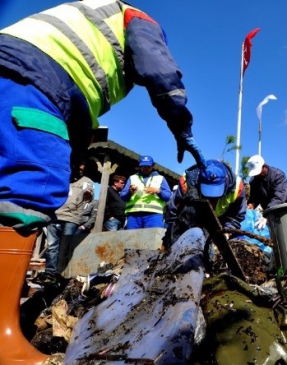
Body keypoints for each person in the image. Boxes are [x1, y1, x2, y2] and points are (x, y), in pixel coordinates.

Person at [0, 1, 207, 361]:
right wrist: (181, 123)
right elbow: (159, 70)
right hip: (34, 78)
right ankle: (3, 337)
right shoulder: (138, 19)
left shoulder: (89, 14)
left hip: (18, 68)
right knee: (27, 187)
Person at [165, 159, 246, 249]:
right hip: (193, 221)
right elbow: (174, 211)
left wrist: (226, 233)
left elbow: (236, 216)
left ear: (226, 181)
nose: (211, 198)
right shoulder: (187, 182)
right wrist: (172, 237)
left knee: (239, 245)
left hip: (222, 222)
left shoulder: (238, 188)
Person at [44, 162, 94, 274]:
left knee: (65, 247)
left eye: (82, 169)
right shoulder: (62, 178)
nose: (79, 171)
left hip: (72, 218)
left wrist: (88, 194)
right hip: (55, 215)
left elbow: (89, 197)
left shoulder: (86, 181)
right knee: (52, 246)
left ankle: (62, 272)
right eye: (77, 168)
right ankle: (50, 272)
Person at [121, 155, 172, 229]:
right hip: (133, 215)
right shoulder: (132, 178)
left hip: (154, 215)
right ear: (139, 166)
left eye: (148, 166)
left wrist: (157, 191)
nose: (145, 168)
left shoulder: (161, 178)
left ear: (153, 166)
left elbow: (168, 197)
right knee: (131, 239)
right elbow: (123, 196)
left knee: (153, 239)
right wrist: (130, 192)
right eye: (143, 166)